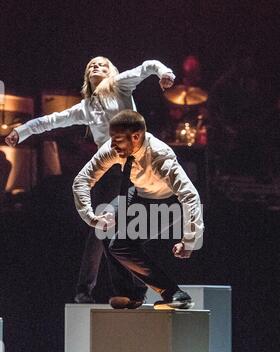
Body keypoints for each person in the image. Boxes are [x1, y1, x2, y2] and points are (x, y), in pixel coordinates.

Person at [5, 57, 175, 305]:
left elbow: (147, 66)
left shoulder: (120, 85)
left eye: (102, 64)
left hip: (134, 167)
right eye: (91, 65)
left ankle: (138, 289)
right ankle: (87, 292)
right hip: (107, 171)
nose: (96, 66)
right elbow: (51, 120)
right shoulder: (85, 107)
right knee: (101, 230)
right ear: (86, 76)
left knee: (124, 230)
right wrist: (22, 131)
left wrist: (164, 73)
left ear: (112, 71)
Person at [73, 110, 204, 309]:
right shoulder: (113, 148)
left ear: (136, 137)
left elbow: (190, 195)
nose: (113, 146)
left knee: (121, 245)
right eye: (112, 140)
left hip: (165, 200)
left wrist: (189, 239)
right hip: (138, 193)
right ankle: (129, 293)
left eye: (118, 140)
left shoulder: (160, 156)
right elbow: (82, 180)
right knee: (103, 226)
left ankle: (175, 293)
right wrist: (91, 217)